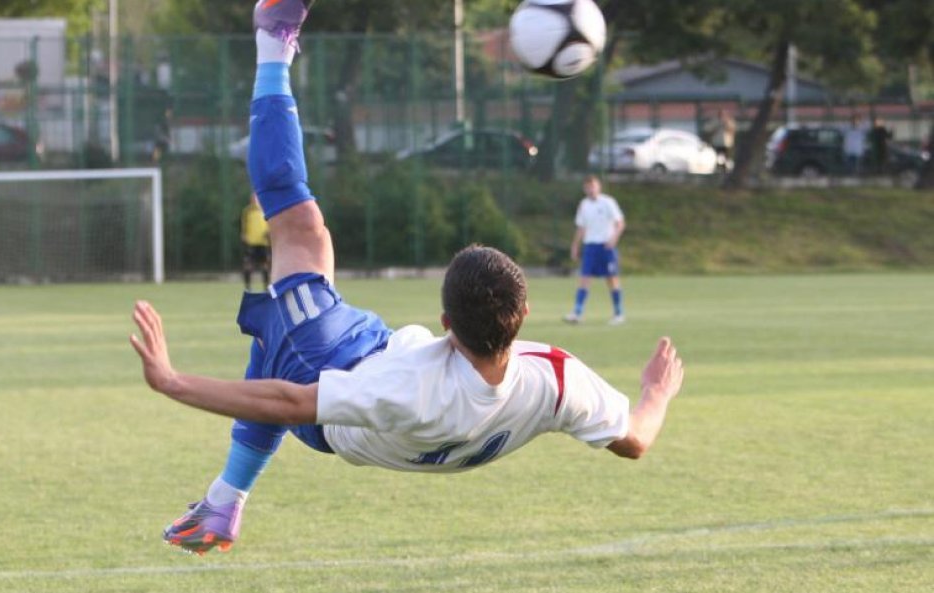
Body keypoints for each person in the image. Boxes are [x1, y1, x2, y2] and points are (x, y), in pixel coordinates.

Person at [130, 0, 685, 556]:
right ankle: (224, 501)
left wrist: (172, 381)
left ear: (445, 323)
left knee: (299, 234)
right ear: (521, 319)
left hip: (341, 396)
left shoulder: (411, 389)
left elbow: (291, 403)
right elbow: (635, 439)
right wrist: (655, 394)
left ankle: (272, 38)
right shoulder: (556, 383)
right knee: (288, 312)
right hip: (378, 362)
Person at [564, 175, 626, 325]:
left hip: (606, 247)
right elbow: (581, 227)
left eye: (593, 186)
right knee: (584, 278)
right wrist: (575, 245)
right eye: (588, 187)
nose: (591, 189)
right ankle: (577, 313)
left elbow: (620, 223)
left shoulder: (608, 202)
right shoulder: (584, 205)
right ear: (585, 189)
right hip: (591, 246)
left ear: (599, 187)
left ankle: (619, 314)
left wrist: (613, 239)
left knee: (612, 279)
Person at [240, 193, 270, 290]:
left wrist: (268, 233)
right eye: (253, 198)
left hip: (263, 243)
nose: (255, 200)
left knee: (265, 266)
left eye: (257, 198)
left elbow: (269, 224)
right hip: (251, 243)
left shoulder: (266, 210)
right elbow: (243, 226)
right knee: (248, 266)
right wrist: (244, 235)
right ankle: (248, 287)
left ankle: (266, 288)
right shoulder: (247, 211)